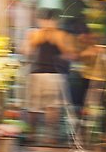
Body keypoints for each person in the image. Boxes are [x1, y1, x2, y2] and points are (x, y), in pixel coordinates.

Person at [23, 8, 77, 144]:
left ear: (56, 21)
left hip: (55, 74)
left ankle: (51, 136)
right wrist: (37, 38)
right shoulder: (34, 34)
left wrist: (57, 40)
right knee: (33, 106)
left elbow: (71, 54)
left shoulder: (62, 35)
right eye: (45, 20)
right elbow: (26, 51)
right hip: (37, 73)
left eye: (51, 20)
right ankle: (31, 134)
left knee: (52, 107)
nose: (47, 23)